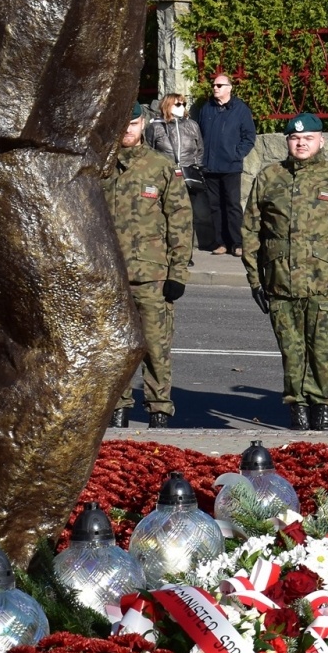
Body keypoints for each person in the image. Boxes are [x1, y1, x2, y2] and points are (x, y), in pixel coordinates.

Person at [241, 113, 328, 431]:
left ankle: (324, 408)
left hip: (325, 285)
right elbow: (251, 232)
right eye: (295, 138)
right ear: (287, 142)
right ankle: (297, 408)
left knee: (322, 351)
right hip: (280, 284)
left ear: (321, 141)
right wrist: (255, 280)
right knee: (292, 351)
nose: (301, 142)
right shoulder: (270, 177)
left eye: (308, 138)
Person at [104, 104, 192, 429]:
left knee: (156, 348)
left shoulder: (160, 167)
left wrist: (178, 273)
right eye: (121, 124)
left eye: (133, 123)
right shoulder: (101, 167)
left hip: (152, 277)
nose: (127, 130)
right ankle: (118, 411)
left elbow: (181, 221)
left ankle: (159, 410)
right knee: (117, 350)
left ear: (143, 124)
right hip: (110, 278)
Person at [194, 73, 257, 256]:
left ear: (229, 88)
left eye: (219, 85)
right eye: (213, 85)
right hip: (210, 166)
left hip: (230, 166)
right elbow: (200, 135)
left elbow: (249, 136)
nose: (215, 88)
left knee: (232, 205)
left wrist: (236, 154)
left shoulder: (240, 109)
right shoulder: (207, 108)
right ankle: (220, 243)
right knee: (214, 206)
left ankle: (237, 243)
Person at [148, 93, 212, 251]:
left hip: (187, 176)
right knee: (165, 214)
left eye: (183, 104)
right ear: (167, 106)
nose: (182, 107)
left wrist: (194, 167)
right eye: (177, 104)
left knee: (188, 217)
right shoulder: (155, 127)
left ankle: (185, 252)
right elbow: (149, 150)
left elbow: (199, 149)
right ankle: (165, 249)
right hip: (164, 176)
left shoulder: (192, 125)